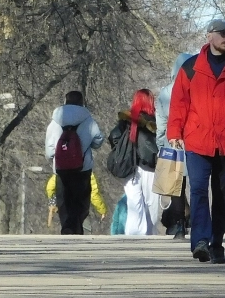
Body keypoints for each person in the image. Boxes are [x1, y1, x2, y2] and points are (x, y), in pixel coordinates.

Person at [167, 19, 225, 264]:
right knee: (198, 190)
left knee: (223, 195)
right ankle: (200, 241)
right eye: (223, 33)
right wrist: (174, 132)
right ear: (209, 36)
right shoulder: (190, 68)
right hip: (198, 140)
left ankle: (216, 243)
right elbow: (179, 103)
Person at [45, 91, 104, 234]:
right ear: (82, 102)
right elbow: (98, 139)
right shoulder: (88, 119)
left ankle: (67, 226)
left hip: (61, 168)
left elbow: (49, 150)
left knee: (64, 198)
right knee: (80, 199)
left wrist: (56, 160)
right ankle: (75, 226)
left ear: (65, 101)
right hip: (82, 168)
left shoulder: (55, 121)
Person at [109, 89, 160, 235]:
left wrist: (123, 150)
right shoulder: (153, 122)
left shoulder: (125, 120)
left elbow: (114, 136)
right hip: (149, 168)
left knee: (134, 205)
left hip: (129, 167)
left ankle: (133, 236)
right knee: (152, 206)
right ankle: (149, 236)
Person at [157, 52, 192, 239]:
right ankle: (199, 221)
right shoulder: (198, 88)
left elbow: (161, 124)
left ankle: (178, 225)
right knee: (197, 185)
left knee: (175, 188)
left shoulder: (165, 92)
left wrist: (160, 145)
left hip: (171, 143)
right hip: (195, 142)